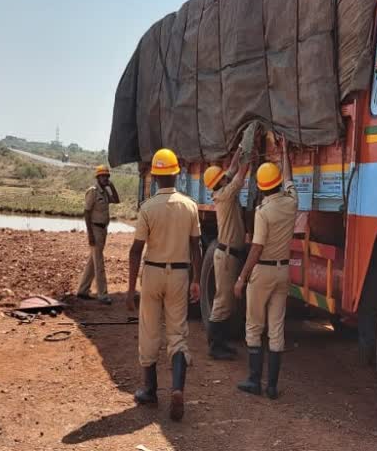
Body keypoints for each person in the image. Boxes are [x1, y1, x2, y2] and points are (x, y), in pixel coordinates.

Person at [127, 148, 202, 422]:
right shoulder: (190, 206)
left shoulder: (147, 208)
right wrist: (196, 279)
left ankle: (149, 389)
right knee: (177, 334)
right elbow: (197, 246)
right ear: (176, 174)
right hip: (180, 274)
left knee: (149, 330)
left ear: (155, 176)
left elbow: (136, 251)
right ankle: (178, 389)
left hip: (153, 272)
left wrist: (130, 287)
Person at [234, 137, 297, 400]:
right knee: (276, 328)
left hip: (263, 272)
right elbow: (290, 179)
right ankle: (271, 386)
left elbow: (257, 248)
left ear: (261, 188)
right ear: (279, 183)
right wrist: (284, 154)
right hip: (283, 272)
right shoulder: (292, 202)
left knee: (254, 326)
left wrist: (241, 277)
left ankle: (253, 381)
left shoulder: (263, 212)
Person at [204, 146, 249, 360]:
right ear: (219, 182)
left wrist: (238, 153)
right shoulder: (225, 195)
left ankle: (220, 342)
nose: (226, 177)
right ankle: (215, 345)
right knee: (223, 301)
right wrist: (248, 154)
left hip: (228, 254)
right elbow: (240, 176)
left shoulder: (220, 190)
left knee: (227, 300)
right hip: (227, 255)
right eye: (223, 178)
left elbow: (231, 172)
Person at [76, 165, 120, 305]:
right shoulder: (93, 192)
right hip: (95, 230)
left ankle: (83, 290)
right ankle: (102, 294)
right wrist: (90, 234)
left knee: (93, 261)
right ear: (98, 178)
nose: (105, 178)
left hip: (103, 230)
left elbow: (117, 200)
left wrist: (111, 186)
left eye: (107, 176)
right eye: (103, 176)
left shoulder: (105, 192)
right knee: (99, 263)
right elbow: (87, 213)